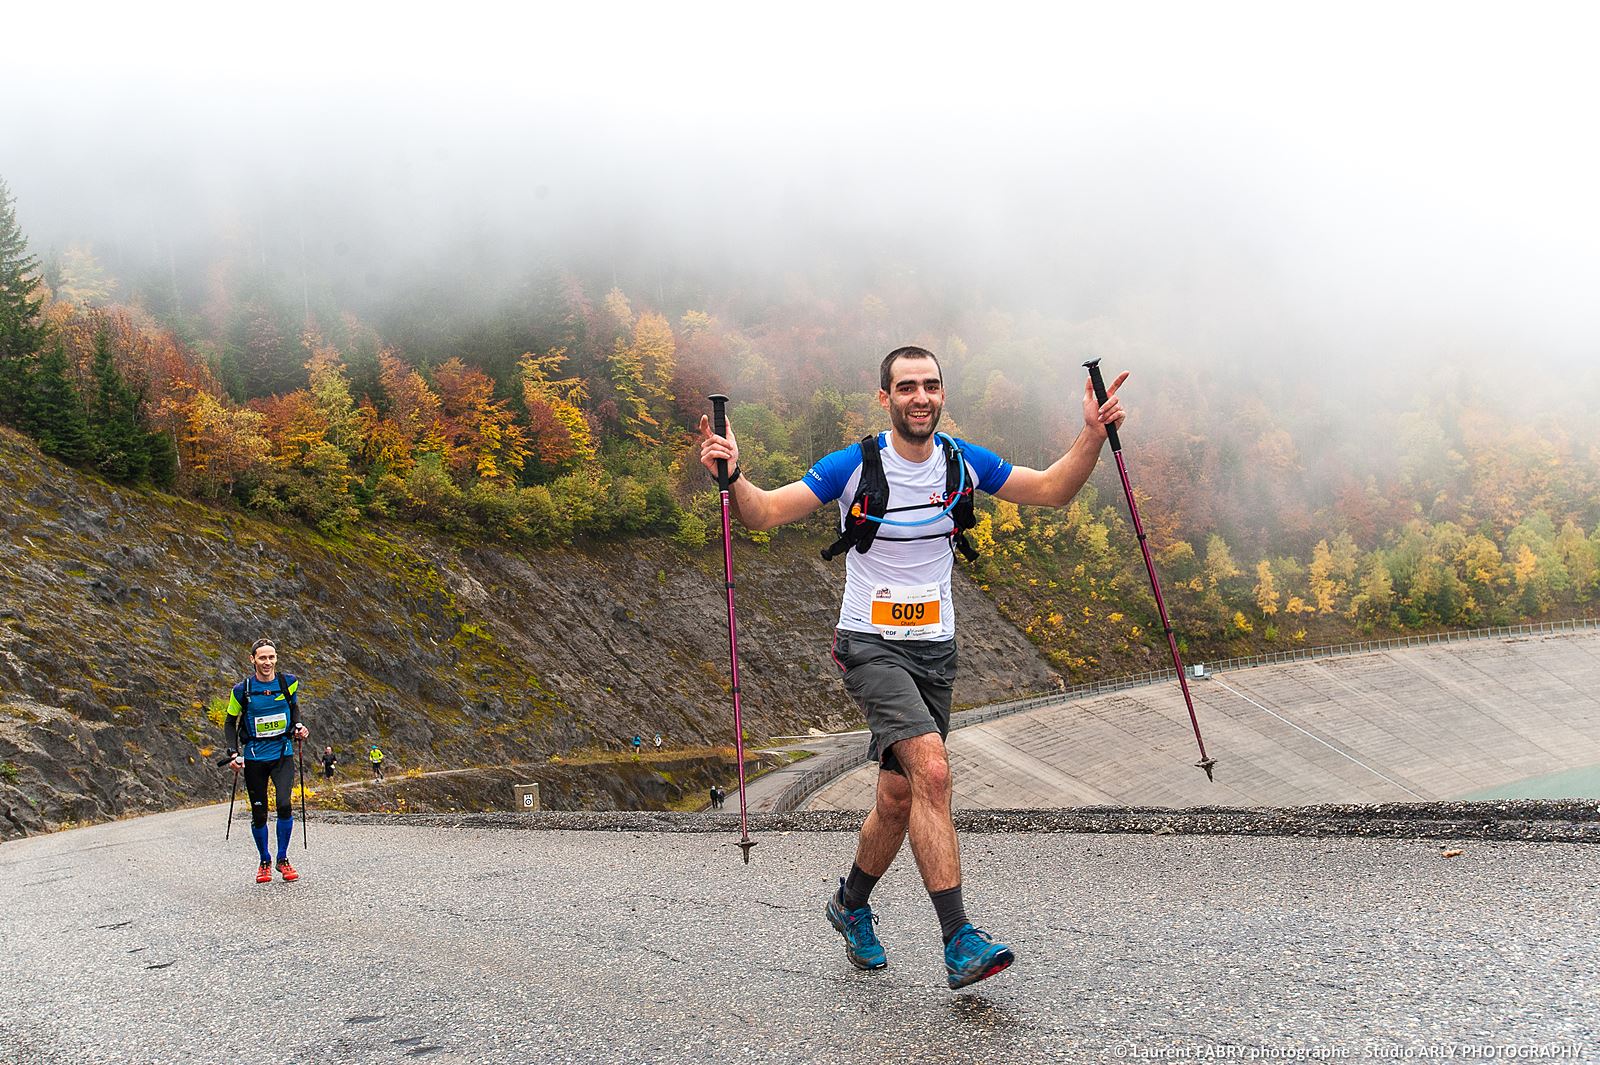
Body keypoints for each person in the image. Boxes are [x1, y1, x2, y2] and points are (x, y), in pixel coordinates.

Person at [698, 345, 1126, 990]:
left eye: (929, 386)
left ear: (942, 394)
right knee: (931, 768)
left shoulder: (961, 461)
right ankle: (959, 938)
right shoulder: (855, 465)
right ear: (885, 398)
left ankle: (850, 904)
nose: (919, 397)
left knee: (900, 796)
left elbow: (1055, 489)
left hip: (936, 649)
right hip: (870, 642)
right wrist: (733, 477)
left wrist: (1092, 434)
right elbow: (761, 514)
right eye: (906, 387)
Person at [224, 638, 310, 884]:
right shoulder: (242, 690)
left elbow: (294, 709)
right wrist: (232, 753)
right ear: (252, 660)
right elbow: (230, 722)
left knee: (284, 805)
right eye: (262, 657)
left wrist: (298, 727)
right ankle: (265, 861)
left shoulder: (288, 683)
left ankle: (283, 859)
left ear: (276, 658)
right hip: (254, 758)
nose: (267, 662)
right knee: (259, 813)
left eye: (271, 657)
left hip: (282, 754)